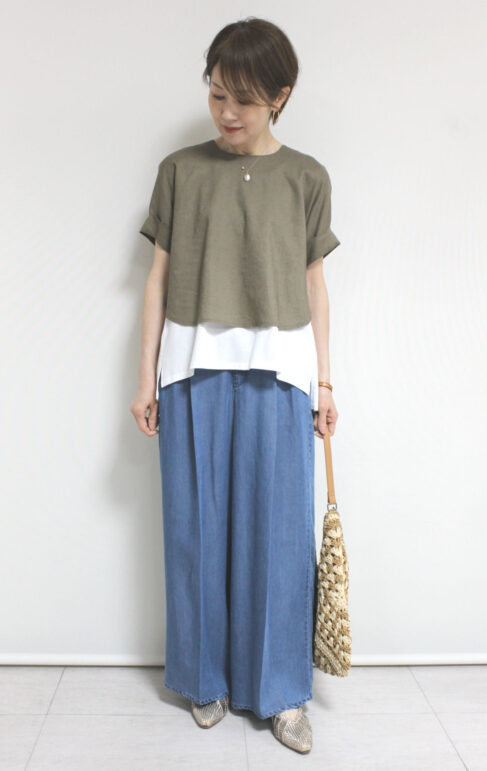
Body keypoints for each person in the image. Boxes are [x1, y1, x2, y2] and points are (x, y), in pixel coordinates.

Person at [130, 17, 340, 755]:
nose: (227, 112)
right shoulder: (180, 171)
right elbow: (156, 278)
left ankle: (281, 692)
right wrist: (146, 374)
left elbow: (315, 284)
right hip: (191, 368)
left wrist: (325, 381)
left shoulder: (308, 178)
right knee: (195, 526)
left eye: (244, 100)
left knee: (280, 535)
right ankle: (205, 678)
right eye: (218, 94)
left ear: (280, 96)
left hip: (281, 372)